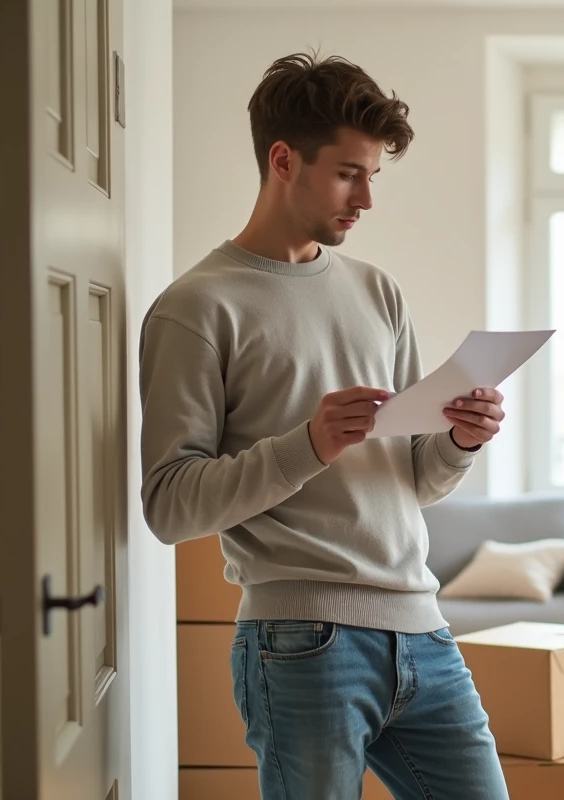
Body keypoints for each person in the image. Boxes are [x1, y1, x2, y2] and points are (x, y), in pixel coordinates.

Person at [138, 52, 511, 799]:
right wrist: (307, 445)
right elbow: (170, 506)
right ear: (284, 160)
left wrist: (459, 441)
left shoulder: (379, 292)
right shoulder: (197, 308)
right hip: (299, 641)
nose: (366, 198)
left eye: (373, 174)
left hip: (423, 629)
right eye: (349, 173)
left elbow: (413, 481)